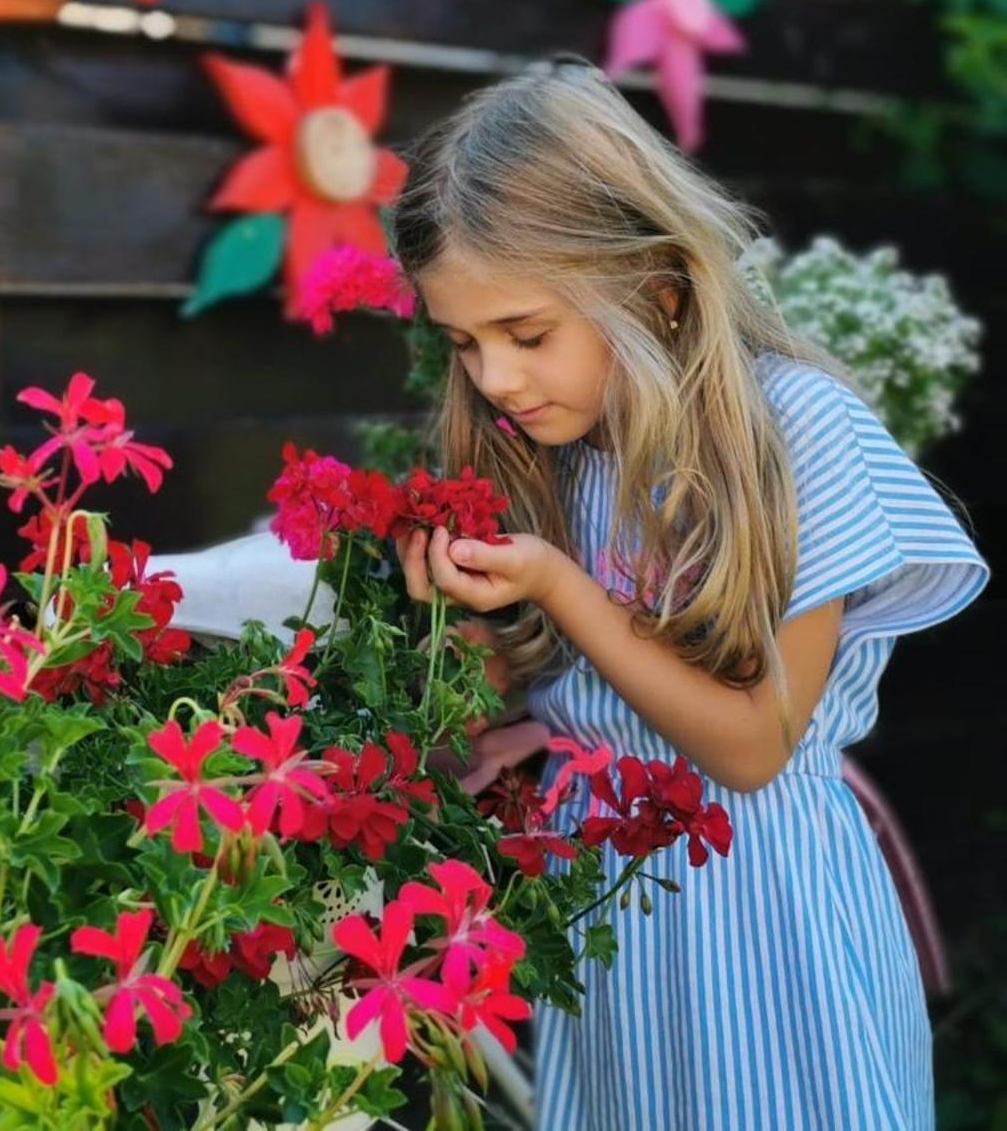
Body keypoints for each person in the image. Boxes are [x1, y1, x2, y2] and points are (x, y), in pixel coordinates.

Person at [387, 57, 987, 1129]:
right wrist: (523, 699)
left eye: (526, 334)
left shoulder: (795, 431)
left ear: (656, 290)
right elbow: (608, 684)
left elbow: (752, 744)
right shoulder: (563, 451)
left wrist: (556, 586)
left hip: (768, 919)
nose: (494, 379)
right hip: (617, 918)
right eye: (463, 342)